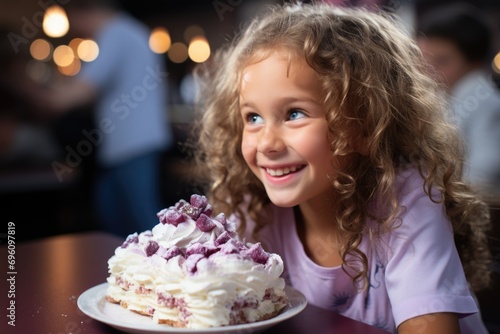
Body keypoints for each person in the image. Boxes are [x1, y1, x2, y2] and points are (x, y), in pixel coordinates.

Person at [189, 3, 492, 333]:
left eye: (294, 114)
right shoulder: (253, 209)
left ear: (367, 127)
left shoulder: (404, 200)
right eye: (253, 118)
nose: (267, 144)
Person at [39, 0, 174, 236]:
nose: (78, 31)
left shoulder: (116, 35)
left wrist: (22, 86)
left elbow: (77, 94)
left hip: (133, 146)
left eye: (75, 22)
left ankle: (171, 270)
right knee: (121, 217)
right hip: (127, 146)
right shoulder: (128, 32)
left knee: (145, 225)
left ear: (86, 11)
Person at [417, 2, 500, 200]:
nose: (429, 70)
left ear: (475, 62)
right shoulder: (448, 95)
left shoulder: (483, 99)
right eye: (423, 60)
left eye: (442, 61)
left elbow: (483, 172)